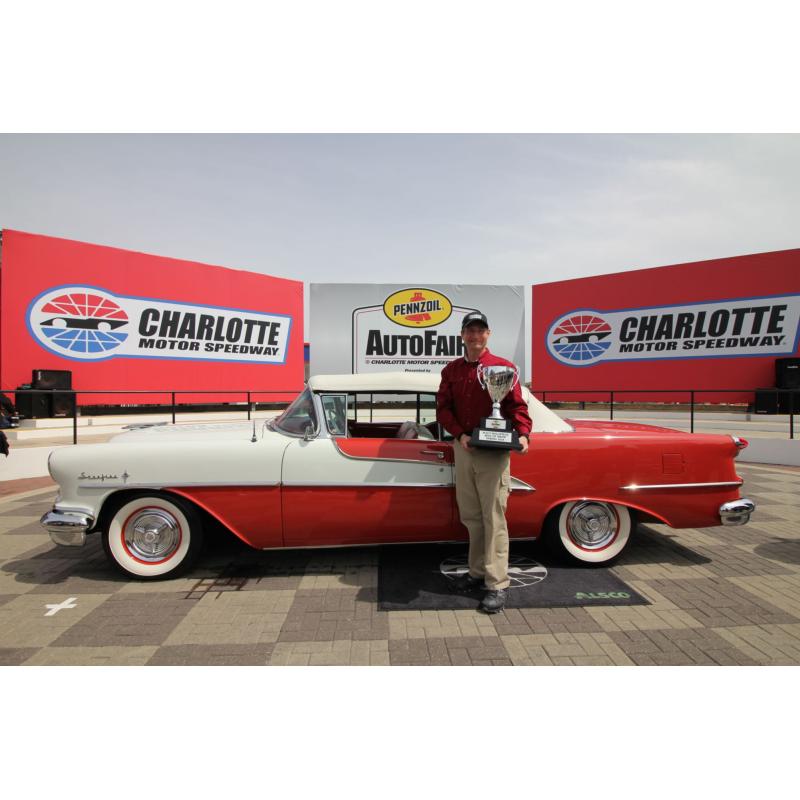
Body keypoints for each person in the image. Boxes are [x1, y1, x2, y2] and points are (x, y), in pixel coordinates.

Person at [436, 311, 532, 614]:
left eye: (480, 331)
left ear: (488, 334)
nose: (475, 336)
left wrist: (524, 435)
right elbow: (443, 408)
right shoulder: (451, 370)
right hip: (464, 449)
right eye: (470, 331)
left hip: (494, 452)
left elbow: (516, 405)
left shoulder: (502, 368)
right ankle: (477, 572)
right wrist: (461, 435)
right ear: (462, 335)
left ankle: (497, 583)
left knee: (494, 518)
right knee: (472, 517)